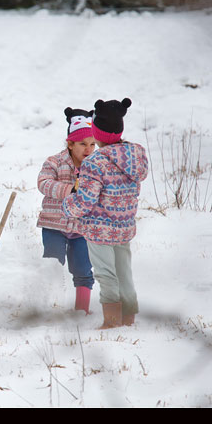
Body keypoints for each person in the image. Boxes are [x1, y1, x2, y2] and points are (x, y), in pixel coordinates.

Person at [63, 98, 148, 329]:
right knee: (124, 272)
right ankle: (128, 316)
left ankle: (112, 320)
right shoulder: (135, 156)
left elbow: (86, 200)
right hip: (124, 226)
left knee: (106, 273)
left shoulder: (95, 162)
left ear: (97, 133)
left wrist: (68, 205)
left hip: (100, 229)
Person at [37, 107, 96, 314]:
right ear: (70, 144)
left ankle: (82, 310)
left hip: (81, 228)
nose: (88, 149)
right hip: (54, 224)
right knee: (52, 266)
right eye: (82, 144)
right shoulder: (55, 162)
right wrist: (70, 189)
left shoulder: (97, 167)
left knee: (82, 269)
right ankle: (48, 308)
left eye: (92, 144)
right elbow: (43, 183)